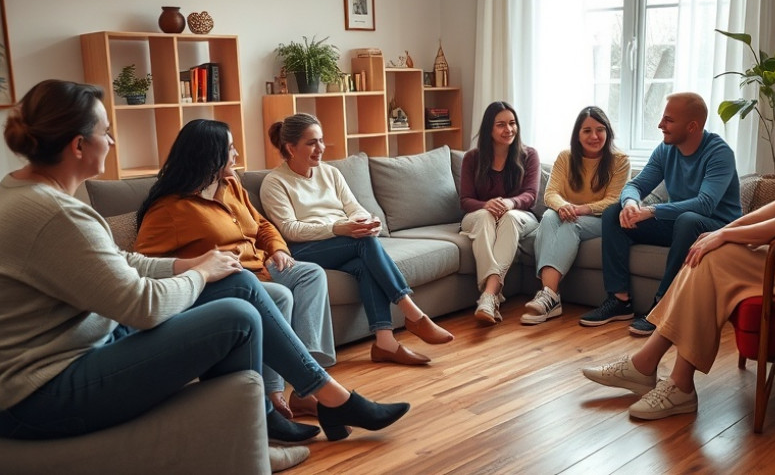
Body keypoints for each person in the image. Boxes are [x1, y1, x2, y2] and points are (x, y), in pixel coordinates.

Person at [0, 80, 408, 454]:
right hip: (44, 392)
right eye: (106, 132)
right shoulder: (58, 214)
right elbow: (142, 307)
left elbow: (121, 260)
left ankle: (287, 411)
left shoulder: (29, 197)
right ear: (78, 145)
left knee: (238, 284)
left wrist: (189, 264)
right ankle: (317, 406)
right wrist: (199, 274)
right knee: (236, 315)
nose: (112, 141)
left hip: (80, 351)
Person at [581, 54, 775, 421]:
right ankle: (655, 370)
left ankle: (663, 375)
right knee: (708, 252)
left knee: (713, 254)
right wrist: (723, 233)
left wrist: (721, 236)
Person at [134, 119, 335, 420]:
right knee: (280, 295)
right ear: (209, 154)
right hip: (227, 281)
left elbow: (262, 225)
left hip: (262, 266)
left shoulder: (231, 185)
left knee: (311, 273)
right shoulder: (169, 209)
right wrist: (194, 269)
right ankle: (274, 392)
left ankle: (306, 387)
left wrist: (278, 249)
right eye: (230, 148)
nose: (237, 154)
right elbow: (143, 264)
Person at [261, 113, 454, 365]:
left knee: (364, 262)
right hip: (304, 249)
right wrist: (340, 228)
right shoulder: (274, 183)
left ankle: (385, 343)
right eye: (312, 143)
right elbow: (290, 229)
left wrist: (366, 221)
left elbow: (354, 208)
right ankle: (412, 313)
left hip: (341, 242)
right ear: (290, 147)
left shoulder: (330, 173)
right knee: (364, 242)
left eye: (321, 140)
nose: (320, 148)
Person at [579, 92, 741, 336]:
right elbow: (635, 185)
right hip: (680, 224)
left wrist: (652, 211)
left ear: (692, 126)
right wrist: (631, 203)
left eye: (669, 120)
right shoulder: (666, 150)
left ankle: (663, 307)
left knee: (688, 220)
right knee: (614, 212)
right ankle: (619, 301)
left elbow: (705, 204)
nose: (660, 125)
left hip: (716, 228)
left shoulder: (719, 153)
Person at [521, 106, 631, 325]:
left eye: (600, 130)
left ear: (608, 132)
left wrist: (582, 209)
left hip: (603, 221)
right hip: (568, 213)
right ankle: (551, 296)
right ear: (577, 135)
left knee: (572, 224)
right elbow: (551, 193)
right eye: (587, 130)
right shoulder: (566, 157)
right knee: (549, 217)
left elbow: (614, 200)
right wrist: (563, 206)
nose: (594, 136)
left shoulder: (620, 161)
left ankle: (548, 297)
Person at [460, 102, 540, 325]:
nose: (509, 129)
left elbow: (531, 195)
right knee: (485, 217)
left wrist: (510, 203)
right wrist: (486, 205)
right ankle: (490, 298)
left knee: (509, 218)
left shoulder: (529, 155)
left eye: (512, 123)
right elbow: (465, 200)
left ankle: (489, 294)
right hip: (480, 215)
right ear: (489, 128)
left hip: (519, 215)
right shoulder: (472, 158)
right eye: (501, 125)